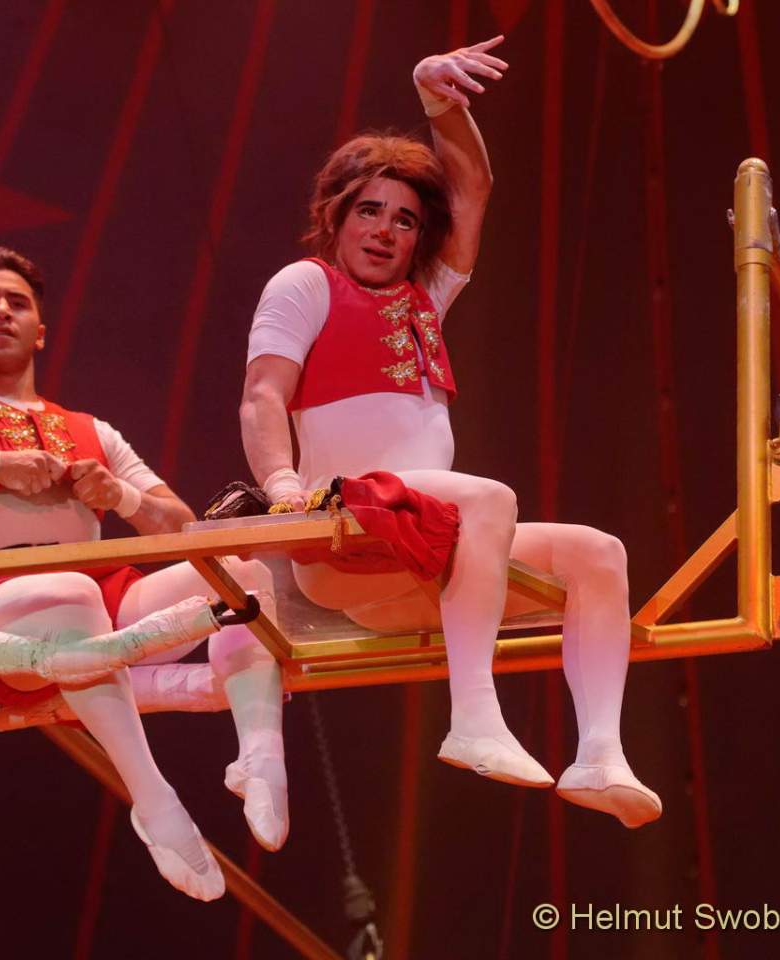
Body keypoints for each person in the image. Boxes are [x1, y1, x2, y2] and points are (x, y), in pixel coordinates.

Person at [239, 38, 661, 828]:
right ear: (337, 217)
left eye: (404, 220)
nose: (385, 230)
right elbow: (262, 395)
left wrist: (438, 101)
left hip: (425, 561)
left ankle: (601, 757)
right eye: (369, 211)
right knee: (485, 499)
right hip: (347, 536)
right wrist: (283, 489)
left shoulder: (425, 298)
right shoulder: (307, 284)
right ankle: (473, 716)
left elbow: (472, 187)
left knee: (598, 554)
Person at [0, 247, 288, 901]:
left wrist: (121, 495)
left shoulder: (92, 430)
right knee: (70, 589)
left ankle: (261, 752)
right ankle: (155, 799)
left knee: (242, 568)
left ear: (40, 331)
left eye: (17, 302)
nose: (2, 311)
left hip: (102, 602)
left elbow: (184, 527)